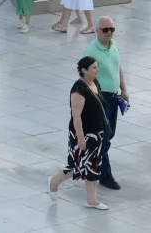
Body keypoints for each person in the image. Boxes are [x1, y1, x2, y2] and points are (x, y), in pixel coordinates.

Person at [47, 56, 110, 210]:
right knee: (78, 165)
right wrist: (81, 138)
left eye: (97, 67)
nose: (97, 70)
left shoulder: (95, 83)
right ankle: (54, 182)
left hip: (97, 133)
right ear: (84, 70)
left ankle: (91, 200)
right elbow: (76, 116)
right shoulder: (78, 90)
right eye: (94, 67)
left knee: (93, 166)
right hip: (83, 134)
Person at [83, 17, 127, 191]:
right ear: (97, 30)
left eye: (112, 29)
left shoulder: (114, 45)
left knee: (109, 135)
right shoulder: (91, 51)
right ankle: (104, 174)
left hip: (113, 97)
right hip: (100, 98)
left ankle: (95, 165)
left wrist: (124, 89)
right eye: (105, 29)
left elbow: (118, 67)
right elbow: (86, 77)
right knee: (104, 138)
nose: (109, 32)